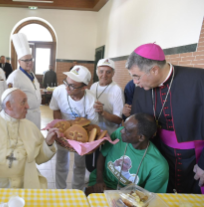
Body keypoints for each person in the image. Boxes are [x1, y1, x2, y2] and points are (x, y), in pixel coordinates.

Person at [128, 43, 204, 194]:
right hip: (159, 156)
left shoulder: (199, 79)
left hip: (195, 158)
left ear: (154, 70)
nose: (135, 83)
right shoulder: (141, 87)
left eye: (137, 76)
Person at [87, 113, 169, 194]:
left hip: (127, 198)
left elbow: (147, 198)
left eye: (127, 131)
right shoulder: (118, 134)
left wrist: (108, 191)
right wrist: (99, 180)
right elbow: (102, 155)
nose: (122, 131)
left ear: (141, 137)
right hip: (101, 182)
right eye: (124, 127)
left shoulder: (158, 166)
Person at [49, 65, 99, 190]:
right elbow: (56, 109)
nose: (67, 87)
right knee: (61, 162)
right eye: (66, 82)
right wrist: (59, 128)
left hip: (81, 136)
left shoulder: (91, 100)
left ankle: (77, 190)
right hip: (63, 133)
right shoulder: (59, 91)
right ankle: (60, 190)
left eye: (72, 86)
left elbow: (91, 127)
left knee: (79, 164)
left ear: (84, 87)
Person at [86, 59, 124, 172]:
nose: (104, 75)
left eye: (108, 72)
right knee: (90, 165)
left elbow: (118, 120)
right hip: (93, 134)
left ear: (113, 73)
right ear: (97, 71)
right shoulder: (93, 86)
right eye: (101, 71)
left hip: (109, 135)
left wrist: (103, 112)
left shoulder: (117, 90)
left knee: (104, 167)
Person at [7, 33, 41, 128]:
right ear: (19, 61)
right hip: (24, 116)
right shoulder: (14, 77)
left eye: (31, 60)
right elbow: (9, 99)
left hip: (36, 115)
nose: (29, 63)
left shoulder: (31, 74)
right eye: (26, 60)